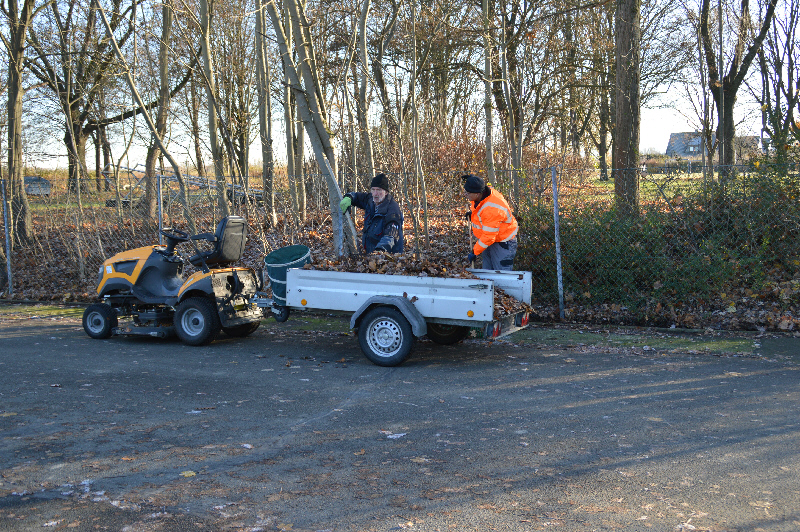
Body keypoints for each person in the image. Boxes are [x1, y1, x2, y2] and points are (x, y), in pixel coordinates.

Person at [462, 174, 518, 270]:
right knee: (487, 272)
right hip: (490, 241)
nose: (465, 194)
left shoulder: (491, 209)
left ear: (477, 194)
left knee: (501, 274)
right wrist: (473, 215)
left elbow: (489, 236)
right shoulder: (483, 193)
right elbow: (482, 213)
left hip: (503, 242)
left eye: (468, 192)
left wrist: (475, 252)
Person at [339, 173, 404, 254]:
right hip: (370, 254)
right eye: (373, 189)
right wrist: (349, 197)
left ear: (386, 192)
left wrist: (379, 252)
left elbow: (390, 236)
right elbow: (357, 196)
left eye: (379, 190)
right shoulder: (371, 200)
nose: (375, 194)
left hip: (389, 257)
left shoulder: (393, 210)